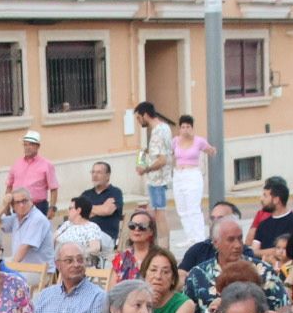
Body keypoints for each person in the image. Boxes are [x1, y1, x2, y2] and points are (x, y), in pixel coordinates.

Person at [183, 217, 288, 311]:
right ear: (215, 243)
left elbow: (283, 307)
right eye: (231, 240)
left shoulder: (264, 271)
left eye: (240, 238)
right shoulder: (198, 275)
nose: (237, 245)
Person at [170, 115, 217, 243]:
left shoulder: (198, 141)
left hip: (192, 174)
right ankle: (190, 236)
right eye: (183, 127)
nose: (185, 129)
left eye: (188, 127)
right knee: (182, 207)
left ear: (192, 128)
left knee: (193, 207)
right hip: (179, 174)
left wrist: (212, 149)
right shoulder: (175, 141)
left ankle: (199, 237)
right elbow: (169, 153)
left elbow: (210, 150)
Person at [133, 102, 175, 240]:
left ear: (145, 115)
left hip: (157, 180)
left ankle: (164, 244)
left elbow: (162, 160)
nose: (139, 122)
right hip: (160, 178)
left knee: (159, 214)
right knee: (157, 212)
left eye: (139, 118)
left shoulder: (157, 132)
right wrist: (145, 155)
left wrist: (145, 169)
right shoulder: (165, 128)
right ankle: (162, 242)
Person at [2, 130, 59, 218]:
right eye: (25, 144)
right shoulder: (16, 164)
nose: (27, 147)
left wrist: (52, 208)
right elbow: (9, 186)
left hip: (38, 207)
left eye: (31, 144)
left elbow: (54, 188)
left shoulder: (47, 165)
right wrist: (6, 206)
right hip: (18, 206)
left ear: (38, 146)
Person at [180, 201, 247, 274]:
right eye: (212, 219)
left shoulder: (245, 253)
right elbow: (180, 275)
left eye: (220, 219)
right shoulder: (197, 250)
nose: (214, 223)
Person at [251, 177, 293, 265]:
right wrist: (273, 251)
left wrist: (267, 253)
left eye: (265, 195)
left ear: (276, 200)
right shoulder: (263, 225)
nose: (261, 199)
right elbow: (253, 251)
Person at [0, 187, 55, 268]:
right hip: (23, 267)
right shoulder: (16, 218)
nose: (21, 205)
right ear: (13, 206)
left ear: (31, 201)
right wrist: (4, 206)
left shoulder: (37, 218)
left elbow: (24, 248)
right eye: (17, 202)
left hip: (38, 270)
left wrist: (9, 270)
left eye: (24, 201)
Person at [51, 195, 113, 267]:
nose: (68, 211)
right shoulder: (66, 224)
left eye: (70, 208)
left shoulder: (91, 227)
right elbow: (53, 238)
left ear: (78, 210)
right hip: (59, 263)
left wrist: (75, 254)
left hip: (78, 265)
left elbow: (95, 248)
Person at [80, 161, 124, 244]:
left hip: (106, 236)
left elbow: (107, 210)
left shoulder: (115, 192)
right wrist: (102, 208)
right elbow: (78, 214)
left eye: (99, 172)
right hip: (85, 234)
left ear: (107, 176)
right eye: (93, 172)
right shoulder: (86, 194)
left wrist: (88, 209)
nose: (94, 175)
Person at [111, 208, 159, 281]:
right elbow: (112, 290)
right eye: (132, 225)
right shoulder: (121, 258)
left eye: (142, 226)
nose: (136, 229)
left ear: (151, 231)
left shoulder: (159, 257)